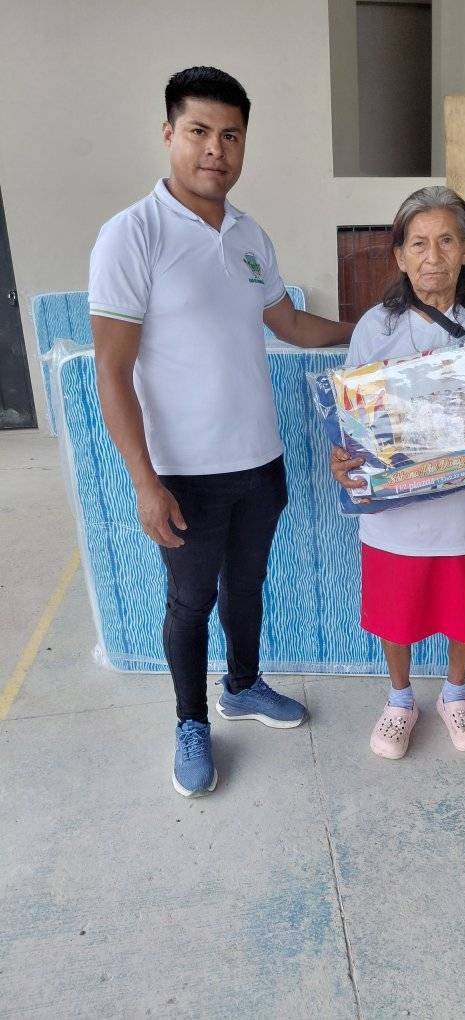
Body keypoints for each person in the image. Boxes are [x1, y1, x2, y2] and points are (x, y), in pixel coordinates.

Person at [90, 67, 353, 797]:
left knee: (247, 587)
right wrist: (145, 482)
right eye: (199, 131)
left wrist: (367, 328)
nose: (216, 149)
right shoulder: (131, 235)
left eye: (231, 135)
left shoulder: (248, 235)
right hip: (183, 472)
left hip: (259, 460)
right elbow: (112, 371)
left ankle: (242, 686)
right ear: (169, 133)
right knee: (190, 603)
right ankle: (190, 722)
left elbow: (288, 323)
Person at [331, 186, 465, 760]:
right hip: (399, 518)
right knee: (397, 611)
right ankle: (400, 701)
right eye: (418, 244)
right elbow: (354, 423)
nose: (432, 256)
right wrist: (344, 460)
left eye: (446, 240)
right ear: (399, 255)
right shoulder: (375, 328)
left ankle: (455, 694)